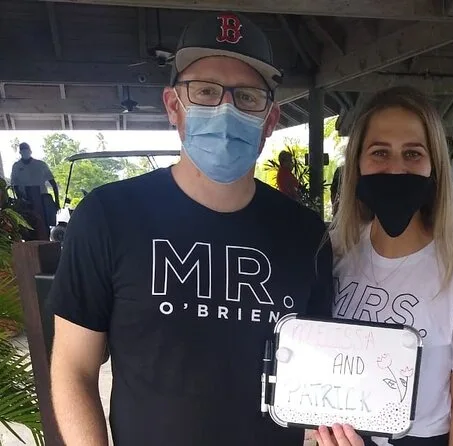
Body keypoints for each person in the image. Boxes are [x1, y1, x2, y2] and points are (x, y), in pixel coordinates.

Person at [48, 12, 335, 446]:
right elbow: (74, 367)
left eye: (247, 97)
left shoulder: (307, 235)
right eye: (204, 91)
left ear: (270, 119)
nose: (225, 108)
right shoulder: (108, 216)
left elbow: (320, 374)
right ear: (173, 106)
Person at [329, 86, 453, 446]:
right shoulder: (337, 253)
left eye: (412, 153)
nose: (396, 168)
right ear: (357, 166)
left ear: (434, 168)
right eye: (380, 152)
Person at [10, 142, 60, 239]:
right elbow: (15, 186)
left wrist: (56, 202)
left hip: (42, 200)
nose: (25, 152)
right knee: (29, 229)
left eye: (26, 149)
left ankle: (46, 243)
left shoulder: (40, 164)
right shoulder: (16, 166)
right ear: (20, 152)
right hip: (25, 201)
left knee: (44, 227)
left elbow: (53, 184)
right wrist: (22, 200)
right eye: (22, 150)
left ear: (30, 151)